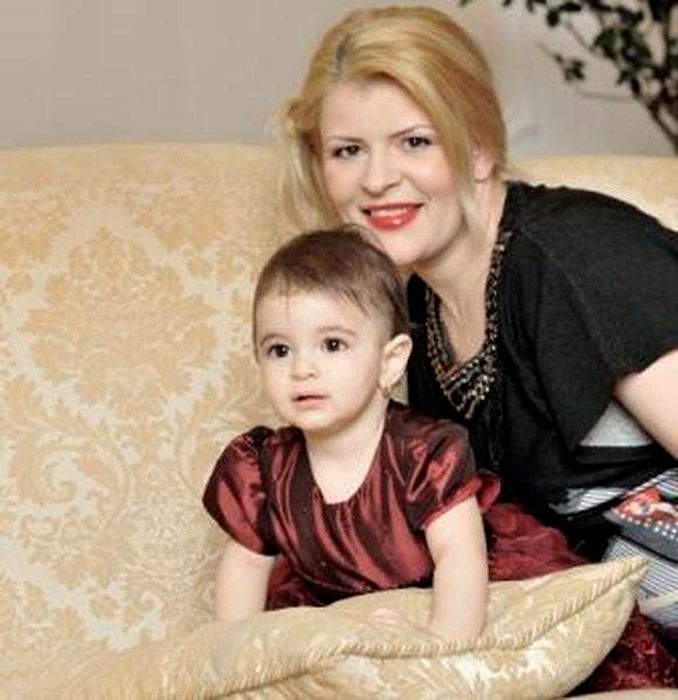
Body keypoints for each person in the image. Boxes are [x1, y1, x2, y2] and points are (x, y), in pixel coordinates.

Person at [274, 4, 677, 690]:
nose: (376, 179)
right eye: (348, 151)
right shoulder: (417, 310)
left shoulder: (575, 255)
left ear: (481, 148)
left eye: (414, 142)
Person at [203, 226, 499, 642]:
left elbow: (459, 556)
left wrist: (442, 642)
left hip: (438, 602)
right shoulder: (264, 468)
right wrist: (235, 654)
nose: (302, 369)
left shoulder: (422, 453)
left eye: (332, 345)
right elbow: (246, 566)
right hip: (332, 614)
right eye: (280, 350)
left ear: (390, 362)